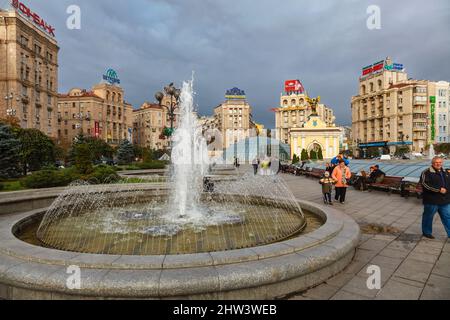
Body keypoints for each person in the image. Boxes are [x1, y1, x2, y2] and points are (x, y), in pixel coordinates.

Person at [419, 156, 450, 239]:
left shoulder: (446, 172)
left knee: (447, 217)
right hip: (431, 201)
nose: (438, 164)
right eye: (436, 162)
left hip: (445, 201)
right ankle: (426, 232)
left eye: (440, 162)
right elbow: (425, 185)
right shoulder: (426, 172)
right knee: (428, 217)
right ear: (432, 163)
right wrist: (438, 190)